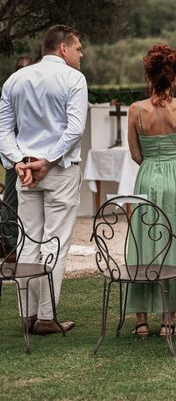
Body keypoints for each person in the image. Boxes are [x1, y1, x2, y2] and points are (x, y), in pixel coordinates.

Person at [0, 25, 88, 335]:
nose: (80, 55)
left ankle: (27, 314)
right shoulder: (73, 79)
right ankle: (47, 317)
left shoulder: (15, 80)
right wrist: (47, 161)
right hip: (59, 169)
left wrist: (19, 162)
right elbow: (75, 129)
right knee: (56, 241)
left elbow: (3, 130)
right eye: (78, 49)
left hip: (26, 173)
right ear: (63, 48)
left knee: (28, 240)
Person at [126, 44, 176, 337]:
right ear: (174, 75)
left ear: (148, 75)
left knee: (144, 242)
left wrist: (153, 166)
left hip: (148, 176)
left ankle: (141, 321)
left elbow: (135, 154)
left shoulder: (136, 110)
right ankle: (169, 321)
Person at [0, 56, 34, 262]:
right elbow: (5, 130)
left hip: (35, 159)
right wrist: (13, 160)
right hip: (15, 160)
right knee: (12, 203)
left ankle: (28, 245)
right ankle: (11, 247)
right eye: (20, 69)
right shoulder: (11, 94)